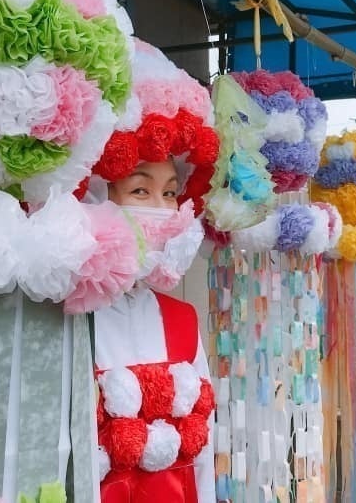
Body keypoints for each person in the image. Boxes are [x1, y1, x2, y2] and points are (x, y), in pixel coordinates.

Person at [91, 159, 216, 502]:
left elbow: (203, 455)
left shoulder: (182, 319)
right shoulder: (67, 320)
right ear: (97, 198)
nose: (161, 208)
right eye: (140, 190)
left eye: (170, 193)